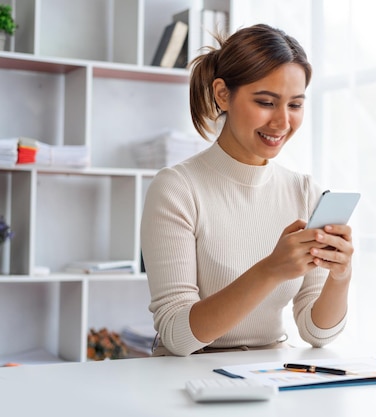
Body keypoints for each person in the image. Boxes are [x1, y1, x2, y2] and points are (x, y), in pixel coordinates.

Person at [141, 24, 354, 356]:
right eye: (267, 102)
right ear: (223, 94)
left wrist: (340, 277)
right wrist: (271, 270)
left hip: (270, 376)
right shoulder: (177, 189)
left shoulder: (304, 191)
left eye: (295, 105)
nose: (282, 122)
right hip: (188, 382)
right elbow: (177, 335)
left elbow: (316, 332)